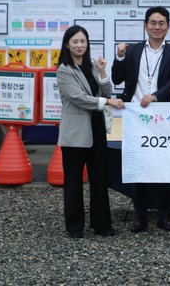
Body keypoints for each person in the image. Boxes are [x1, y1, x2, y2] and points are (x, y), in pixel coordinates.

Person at [112, 6, 170, 233]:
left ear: (168, 27)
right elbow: (117, 78)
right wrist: (119, 57)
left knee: (163, 166)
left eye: (162, 23)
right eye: (153, 22)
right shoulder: (132, 51)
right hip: (135, 116)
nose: (157, 27)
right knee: (138, 167)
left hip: (162, 116)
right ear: (145, 25)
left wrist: (155, 96)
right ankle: (140, 216)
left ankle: (165, 215)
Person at [56, 25, 125, 238]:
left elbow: (106, 91)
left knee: (99, 178)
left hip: (96, 127)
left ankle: (102, 224)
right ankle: (75, 227)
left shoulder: (93, 65)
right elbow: (78, 98)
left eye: (83, 41)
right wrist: (108, 102)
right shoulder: (64, 70)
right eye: (75, 41)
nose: (79, 45)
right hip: (75, 132)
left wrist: (103, 72)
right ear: (67, 45)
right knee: (73, 181)